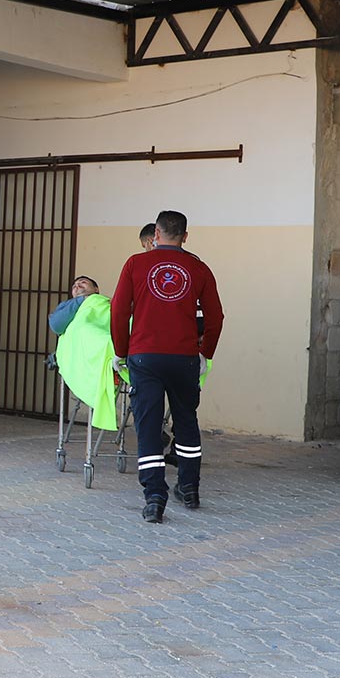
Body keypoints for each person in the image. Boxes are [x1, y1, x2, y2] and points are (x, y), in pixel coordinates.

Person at [112, 210, 224, 523]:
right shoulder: (199, 268)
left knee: (148, 427)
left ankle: (154, 498)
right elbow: (215, 317)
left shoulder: (136, 263)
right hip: (184, 358)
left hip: (144, 357)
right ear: (185, 236)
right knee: (186, 421)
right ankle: (189, 488)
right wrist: (206, 353)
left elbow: (119, 312)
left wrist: (121, 351)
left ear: (156, 235)